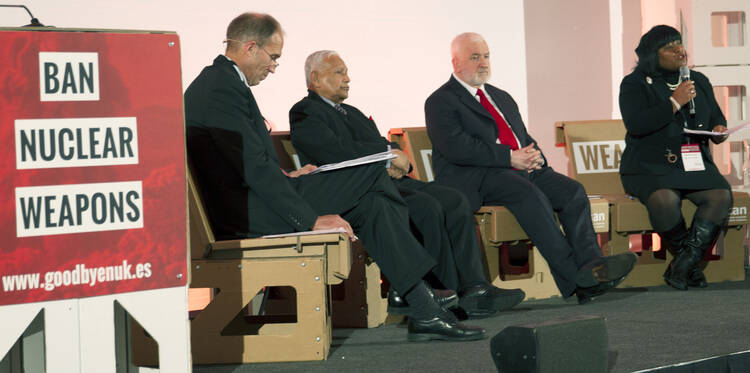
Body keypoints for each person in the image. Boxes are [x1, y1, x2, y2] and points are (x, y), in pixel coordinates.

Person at [184, 12, 485, 342]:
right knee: (373, 173)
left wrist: (288, 173)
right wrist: (309, 220)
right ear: (251, 47)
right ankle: (412, 289)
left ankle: (421, 306)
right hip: (246, 213)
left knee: (372, 206)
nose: (273, 67)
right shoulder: (220, 88)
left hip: (258, 197)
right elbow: (251, 169)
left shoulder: (223, 83)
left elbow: (240, 161)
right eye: (273, 58)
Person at [289, 50, 526, 319]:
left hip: (390, 181)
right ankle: (441, 293)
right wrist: (385, 157)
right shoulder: (305, 111)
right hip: (360, 190)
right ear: (316, 79)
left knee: (454, 200)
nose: (348, 79)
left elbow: (383, 143)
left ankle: (475, 287)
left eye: (346, 72)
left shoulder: (351, 111)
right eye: (339, 72)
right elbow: (332, 151)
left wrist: (392, 155)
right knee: (427, 206)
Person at [424, 32, 637, 304]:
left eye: (486, 56)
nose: (483, 63)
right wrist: (509, 158)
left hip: (517, 169)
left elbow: (521, 136)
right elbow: (457, 147)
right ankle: (576, 278)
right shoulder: (441, 100)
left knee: (571, 191)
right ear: (455, 63)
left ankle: (592, 267)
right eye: (475, 57)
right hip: (475, 176)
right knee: (527, 192)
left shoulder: (501, 97)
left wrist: (535, 156)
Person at [619, 25, 732, 290]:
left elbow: (715, 117)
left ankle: (683, 264)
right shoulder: (634, 83)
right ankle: (689, 265)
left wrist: (718, 130)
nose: (680, 51)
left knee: (720, 195)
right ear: (652, 55)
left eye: (680, 44)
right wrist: (673, 102)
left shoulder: (698, 80)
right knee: (664, 198)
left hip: (693, 161)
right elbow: (636, 124)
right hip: (649, 165)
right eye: (670, 47)